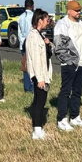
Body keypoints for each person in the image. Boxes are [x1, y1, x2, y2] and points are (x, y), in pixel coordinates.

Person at [54, 0, 82, 131]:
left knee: (78, 91)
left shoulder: (81, 24)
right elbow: (58, 47)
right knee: (65, 91)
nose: (79, 12)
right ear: (69, 11)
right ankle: (62, 119)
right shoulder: (62, 24)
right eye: (76, 10)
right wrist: (68, 60)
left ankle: (75, 116)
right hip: (69, 64)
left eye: (79, 10)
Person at [25, 9, 53, 139]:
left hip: (43, 73)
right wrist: (40, 79)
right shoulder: (33, 36)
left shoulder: (39, 35)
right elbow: (36, 59)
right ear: (39, 20)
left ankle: (38, 128)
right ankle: (37, 130)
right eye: (46, 20)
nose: (48, 23)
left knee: (39, 100)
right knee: (39, 102)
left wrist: (48, 44)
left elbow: (47, 53)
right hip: (39, 75)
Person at [18, 0, 35, 93]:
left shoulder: (20, 17)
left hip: (23, 43)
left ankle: (26, 86)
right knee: (33, 66)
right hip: (31, 43)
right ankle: (31, 86)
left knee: (25, 65)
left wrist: (21, 43)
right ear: (32, 6)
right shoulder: (33, 17)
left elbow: (19, 32)